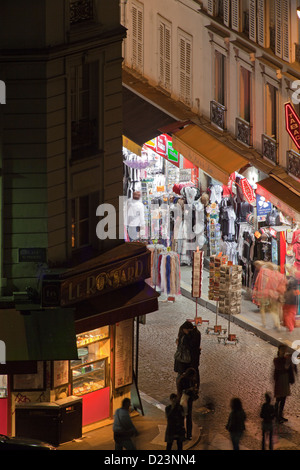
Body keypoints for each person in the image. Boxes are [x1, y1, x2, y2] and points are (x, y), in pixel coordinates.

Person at [273, 345, 297, 423]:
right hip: (280, 380)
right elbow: (281, 368)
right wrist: (288, 362)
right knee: (278, 399)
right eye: (282, 350)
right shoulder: (276, 360)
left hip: (285, 379)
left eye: (284, 350)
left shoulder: (286, 358)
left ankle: (280, 415)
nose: (283, 352)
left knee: (283, 399)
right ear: (279, 350)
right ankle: (276, 416)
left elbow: (291, 367)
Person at [174, 321, 201, 390]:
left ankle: (191, 387)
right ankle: (187, 387)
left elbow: (190, 346)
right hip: (185, 358)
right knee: (188, 373)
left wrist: (184, 339)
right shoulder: (186, 334)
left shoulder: (192, 335)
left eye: (184, 330)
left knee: (191, 372)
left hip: (188, 358)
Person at [176, 367, 198, 440]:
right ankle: (182, 434)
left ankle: (189, 435)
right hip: (183, 400)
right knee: (182, 417)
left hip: (189, 400)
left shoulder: (191, 380)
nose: (193, 378)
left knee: (189, 417)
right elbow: (180, 391)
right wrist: (190, 389)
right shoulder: (182, 380)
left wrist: (194, 390)